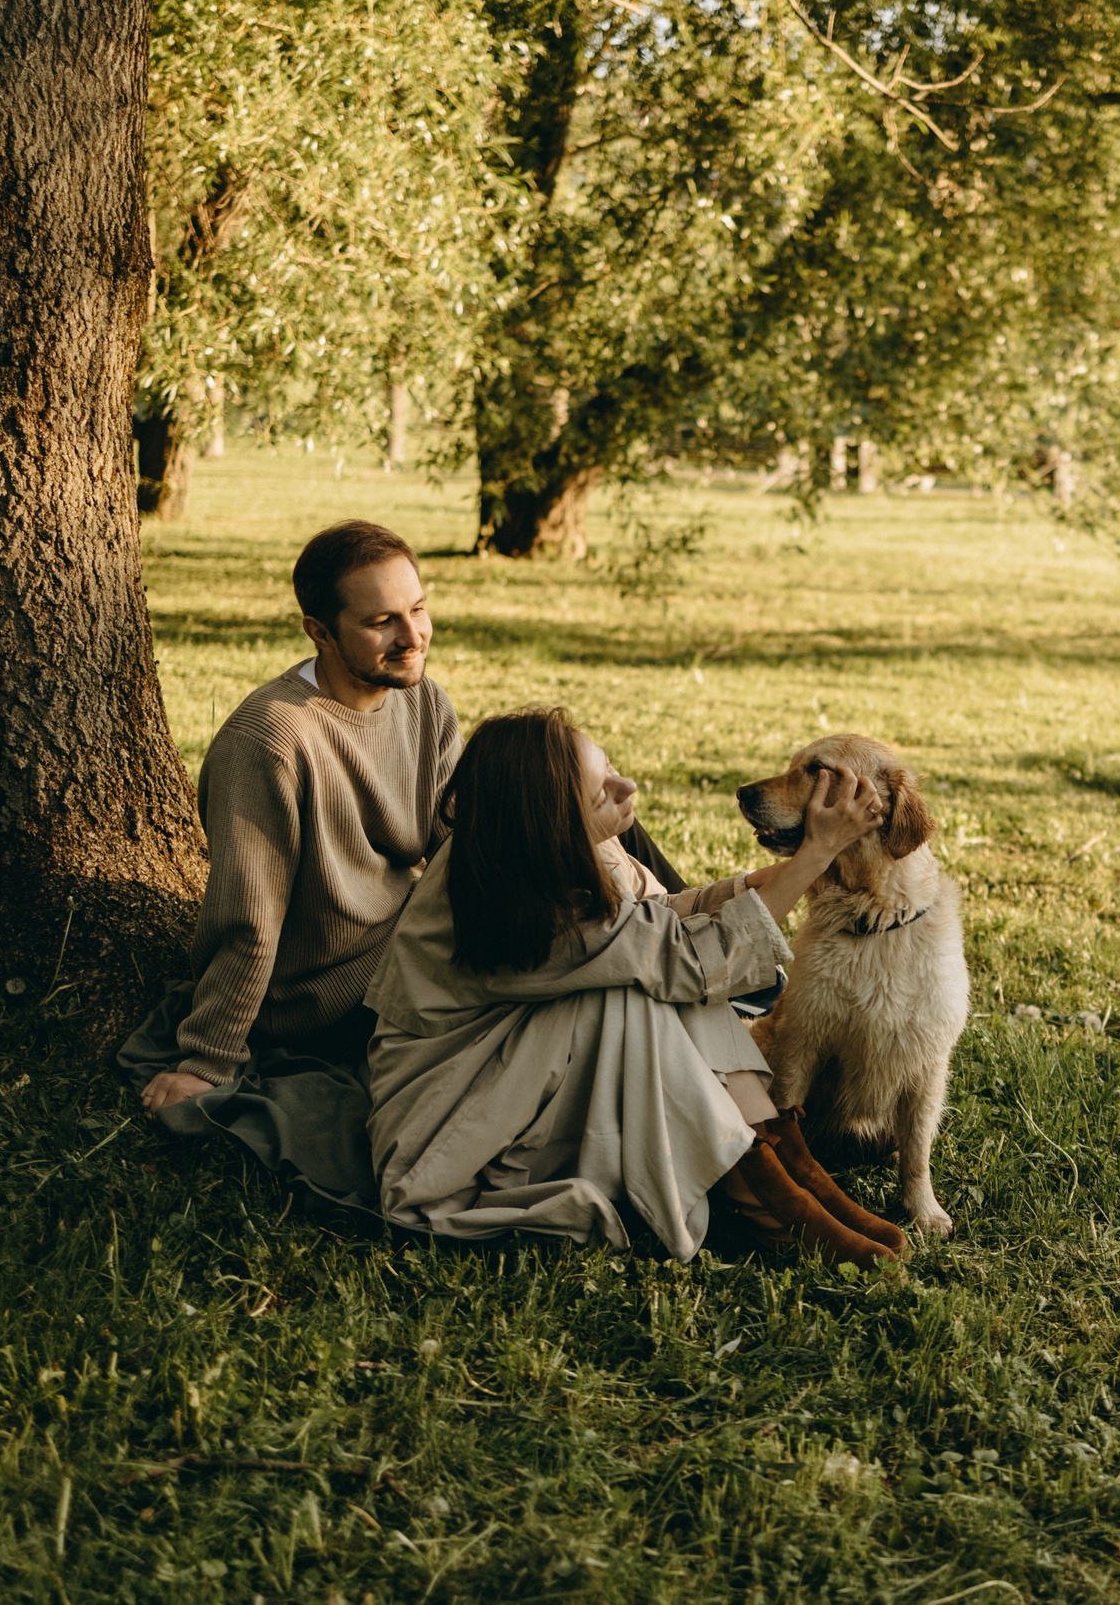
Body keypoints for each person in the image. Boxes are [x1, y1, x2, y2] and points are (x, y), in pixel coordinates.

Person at [114, 521, 693, 1205]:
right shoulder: (271, 740)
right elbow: (249, 920)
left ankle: (695, 940)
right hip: (333, 997)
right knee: (585, 971)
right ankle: (692, 977)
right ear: (320, 632)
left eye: (418, 610)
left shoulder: (423, 702)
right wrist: (208, 1059)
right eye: (382, 621)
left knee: (588, 814)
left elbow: (461, 836)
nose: (412, 635)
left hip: (414, 946)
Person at [363, 710, 909, 1265]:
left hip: (522, 1074)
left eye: (612, 767)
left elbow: (657, 915)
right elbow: (682, 957)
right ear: (549, 818)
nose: (628, 787)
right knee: (639, 993)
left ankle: (784, 1165)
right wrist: (814, 853)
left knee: (653, 974)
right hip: (457, 1119)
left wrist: (749, 884)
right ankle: (761, 1197)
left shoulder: (558, 843)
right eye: (601, 791)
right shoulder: (523, 892)